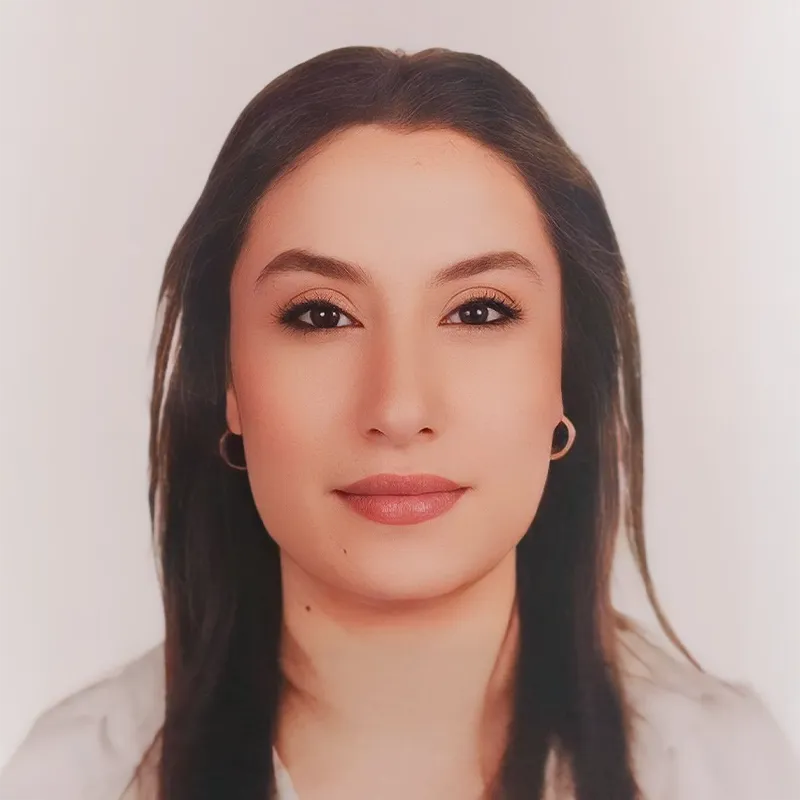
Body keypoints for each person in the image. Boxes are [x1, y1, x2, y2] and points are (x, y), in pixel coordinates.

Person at [1, 45, 797, 800]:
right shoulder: (69, 779)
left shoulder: (726, 771)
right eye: (320, 315)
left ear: (566, 378)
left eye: (479, 311)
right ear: (229, 384)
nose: (399, 408)